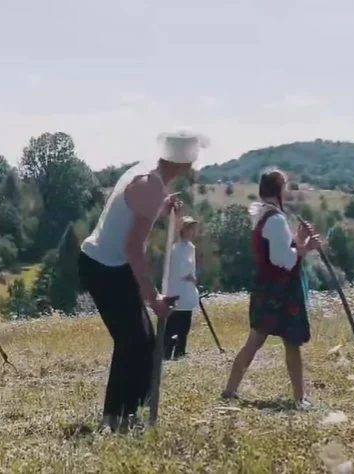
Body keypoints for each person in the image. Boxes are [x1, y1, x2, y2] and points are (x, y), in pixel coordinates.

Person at [77, 130, 205, 432]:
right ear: (185, 162)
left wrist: (162, 208)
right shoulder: (151, 186)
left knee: (143, 343)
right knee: (132, 342)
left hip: (110, 264)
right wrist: (154, 298)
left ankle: (128, 414)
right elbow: (133, 248)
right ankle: (117, 419)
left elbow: (135, 212)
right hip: (104, 266)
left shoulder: (146, 174)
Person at [221, 169, 322, 409]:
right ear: (279, 189)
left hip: (270, 289)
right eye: (285, 186)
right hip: (279, 292)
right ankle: (300, 399)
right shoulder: (275, 220)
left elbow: (282, 251)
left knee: (256, 341)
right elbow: (284, 260)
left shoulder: (266, 216)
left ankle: (230, 391)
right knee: (290, 342)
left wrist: (299, 240)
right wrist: (306, 248)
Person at [162, 215, 200, 361]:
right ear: (182, 230)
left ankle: (180, 352)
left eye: (192, 229)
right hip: (176, 291)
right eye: (188, 228)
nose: (191, 231)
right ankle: (166, 352)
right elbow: (179, 270)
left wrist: (192, 279)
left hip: (187, 291)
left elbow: (191, 269)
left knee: (184, 326)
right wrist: (190, 277)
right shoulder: (176, 249)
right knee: (172, 325)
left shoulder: (191, 248)